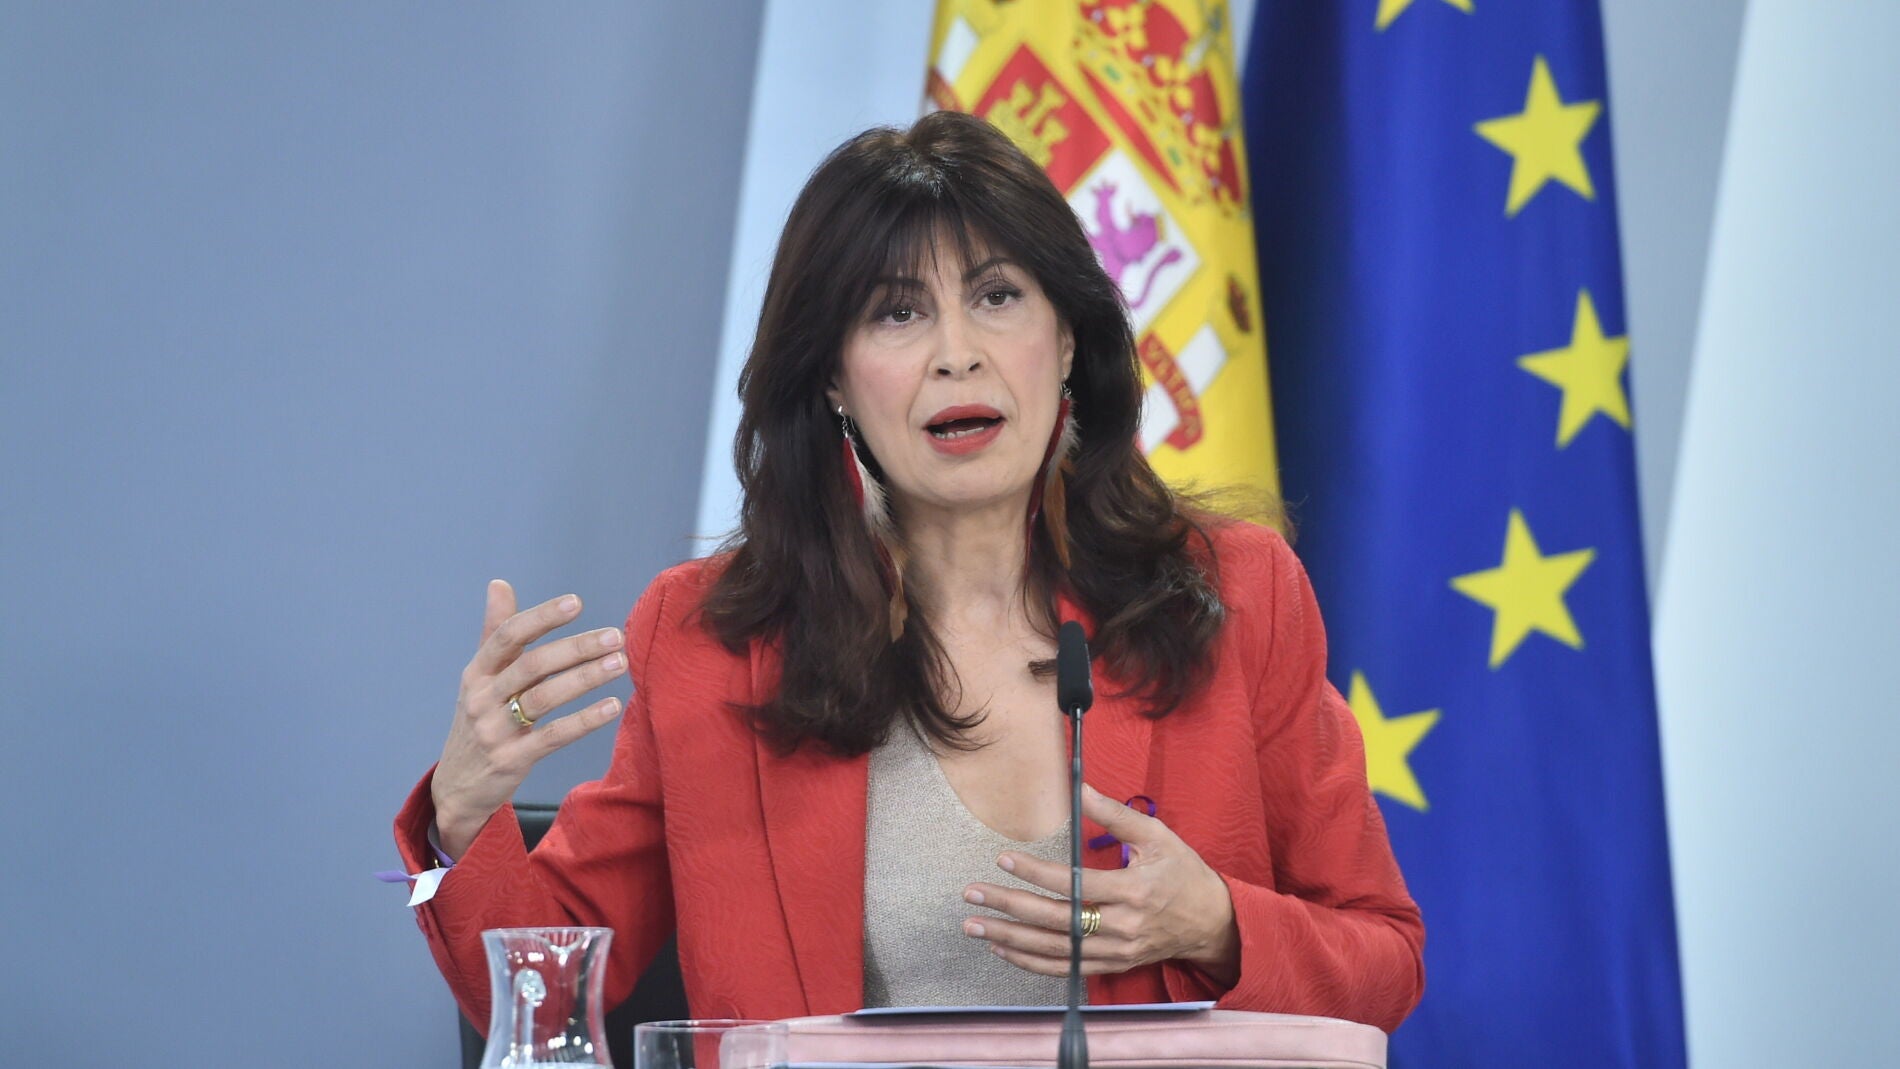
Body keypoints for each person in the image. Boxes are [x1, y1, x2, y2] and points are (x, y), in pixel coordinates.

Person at [394, 110, 1424, 1032]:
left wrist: (1218, 923)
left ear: (1067, 339)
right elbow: (535, 1000)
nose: (956, 354)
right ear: (833, 378)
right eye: (897, 313)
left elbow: (1384, 959)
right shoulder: (715, 641)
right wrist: (463, 815)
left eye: (997, 296)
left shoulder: (1233, 594)